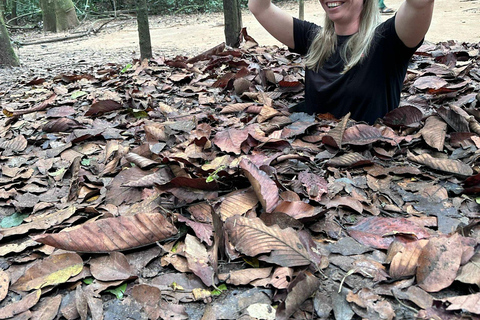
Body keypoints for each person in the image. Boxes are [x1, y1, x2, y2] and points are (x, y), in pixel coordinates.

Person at [248, 0, 434, 124]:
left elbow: (420, 3)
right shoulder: (313, 39)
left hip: (369, 164)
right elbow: (259, 7)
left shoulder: (387, 42)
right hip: (315, 163)